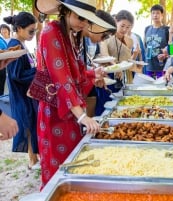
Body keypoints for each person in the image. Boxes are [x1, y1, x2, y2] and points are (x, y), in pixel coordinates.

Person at [35, 0, 115, 188]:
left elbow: (75, 74)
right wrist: (82, 117)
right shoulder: (51, 31)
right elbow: (61, 78)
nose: (84, 24)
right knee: (57, 168)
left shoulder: (70, 34)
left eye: (87, 20)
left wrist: (92, 74)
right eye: (81, 18)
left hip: (70, 108)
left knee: (73, 162)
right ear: (65, 11)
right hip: (54, 111)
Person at [4, 12, 40, 170]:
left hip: (27, 93)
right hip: (21, 94)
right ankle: (32, 160)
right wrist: (38, 71)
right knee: (27, 125)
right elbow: (16, 75)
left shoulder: (22, 43)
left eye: (35, 31)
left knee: (31, 123)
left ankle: (34, 158)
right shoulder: (15, 45)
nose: (33, 34)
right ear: (19, 28)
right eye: (31, 31)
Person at [82, 10, 116, 117]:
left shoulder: (131, 39)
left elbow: (171, 56)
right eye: (104, 36)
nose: (102, 40)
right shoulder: (70, 36)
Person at [100, 10, 140, 85]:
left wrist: (134, 55)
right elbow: (104, 55)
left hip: (125, 76)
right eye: (122, 26)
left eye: (128, 27)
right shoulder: (105, 37)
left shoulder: (130, 41)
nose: (125, 29)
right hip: (108, 75)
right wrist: (116, 67)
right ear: (116, 21)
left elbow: (127, 62)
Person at [144, 4, 169, 79]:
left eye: (158, 13)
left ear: (162, 15)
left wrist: (166, 54)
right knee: (149, 88)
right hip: (149, 66)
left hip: (162, 66)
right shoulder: (147, 29)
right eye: (153, 13)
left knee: (160, 88)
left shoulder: (167, 29)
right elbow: (146, 45)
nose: (155, 15)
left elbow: (172, 50)